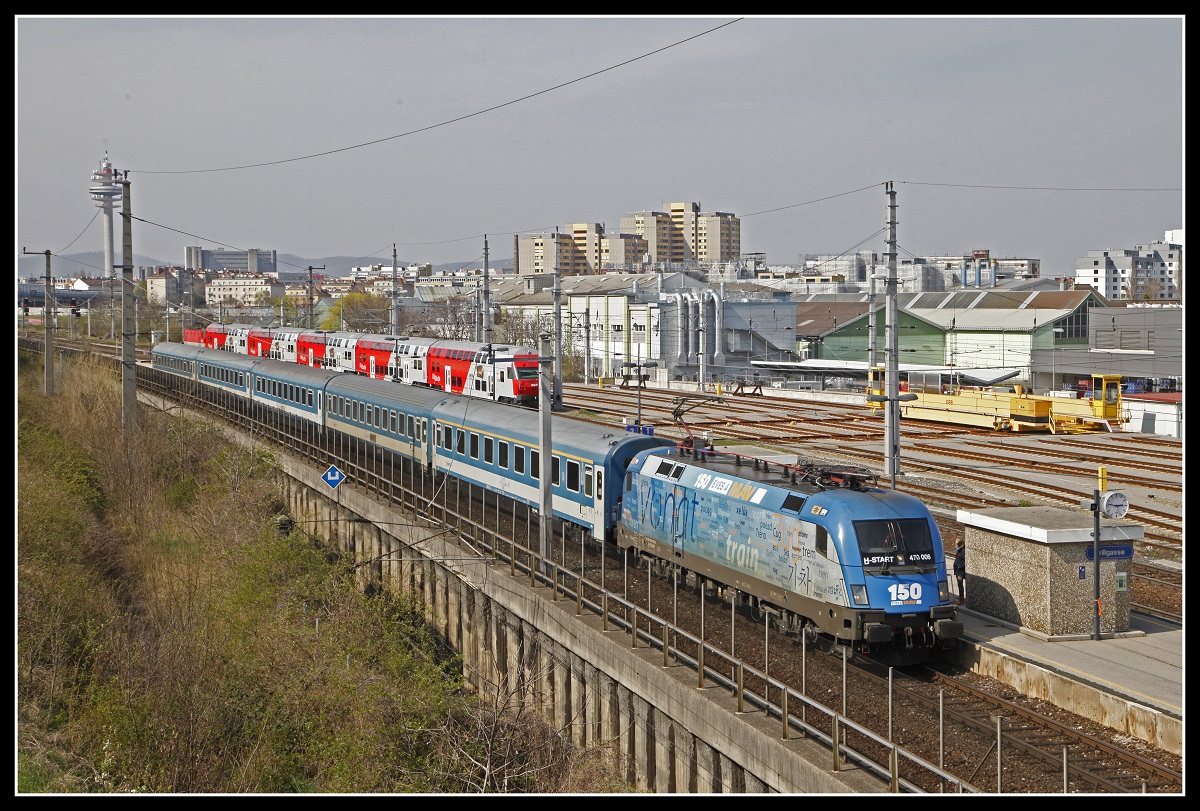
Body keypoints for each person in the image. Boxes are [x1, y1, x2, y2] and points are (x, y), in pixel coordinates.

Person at [953, 539, 966, 605]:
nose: (956, 546)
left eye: (957, 544)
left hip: (960, 571)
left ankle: (961, 599)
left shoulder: (963, 552)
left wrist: (959, 566)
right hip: (957, 570)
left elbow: (965, 561)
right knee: (959, 584)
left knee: (960, 584)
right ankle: (960, 597)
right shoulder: (959, 551)